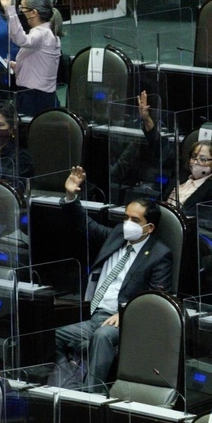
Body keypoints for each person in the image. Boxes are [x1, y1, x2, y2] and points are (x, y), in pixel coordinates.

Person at [53, 166, 173, 389]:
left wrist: (126, 312)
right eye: (126, 217)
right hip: (97, 314)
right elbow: (85, 225)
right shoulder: (118, 234)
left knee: (102, 337)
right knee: (58, 336)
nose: (127, 223)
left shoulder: (160, 254)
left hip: (125, 321)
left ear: (149, 227)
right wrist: (71, 195)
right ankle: (67, 383)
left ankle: (92, 394)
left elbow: (157, 297)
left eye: (134, 220)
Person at [6, 0, 62, 116]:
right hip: (44, 96)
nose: (21, 12)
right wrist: (18, 65)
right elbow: (40, 63)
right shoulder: (49, 32)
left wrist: (10, 10)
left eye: (22, 8)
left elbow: (20, 39)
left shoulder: (41, 33)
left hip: (34, 98)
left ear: (33, 13)